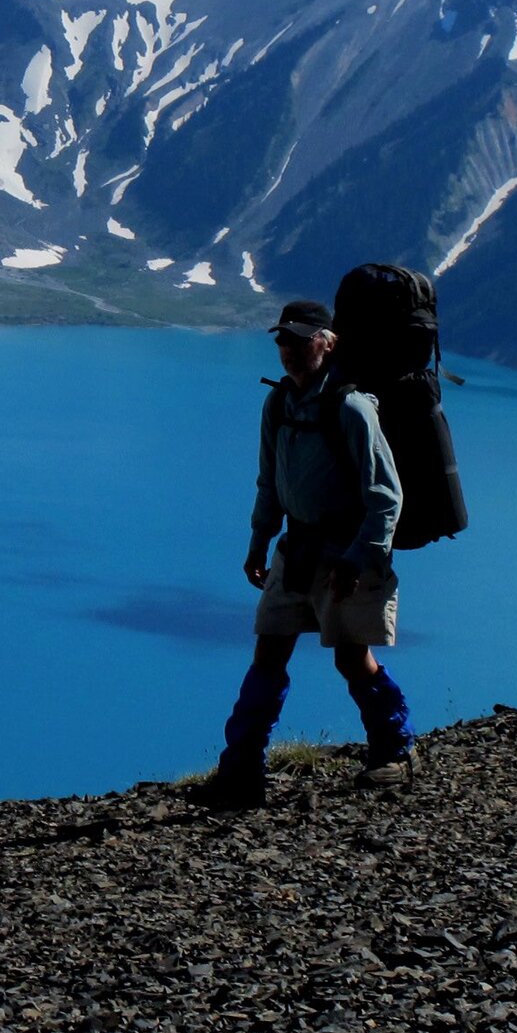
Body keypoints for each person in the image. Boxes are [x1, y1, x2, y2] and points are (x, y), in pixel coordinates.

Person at [186, 297, 416, 810]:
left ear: (327, 342)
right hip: (296, 548)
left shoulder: (352, 407)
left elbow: (386, 496)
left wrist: (360, 560)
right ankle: (241, 769)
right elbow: (270, 481)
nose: (286, 349)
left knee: (351, 657)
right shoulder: (279, 403)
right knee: (269, 651)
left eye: (298, 338)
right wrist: (258, 540)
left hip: (344, 553)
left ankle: (395, 750)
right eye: (281, 339)